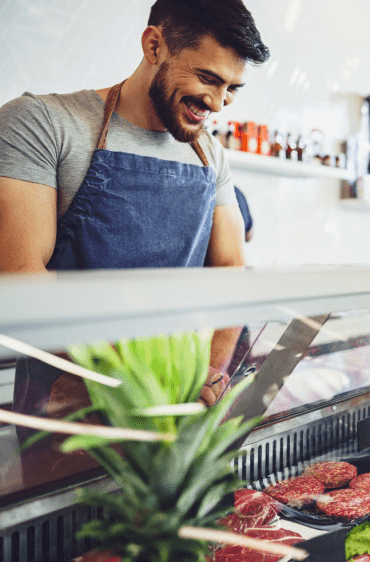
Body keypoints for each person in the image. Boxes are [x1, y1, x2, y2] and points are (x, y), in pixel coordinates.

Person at [0, 0, 270, 422]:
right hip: (70, 409)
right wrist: (150, 377)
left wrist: (210, 375)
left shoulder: (211, 156)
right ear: (153, 45)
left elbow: (232, 269)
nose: (218, 103)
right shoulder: (42, 123)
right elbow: (19, 276)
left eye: (232, 88)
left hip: (180, 404)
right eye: (208, 78)